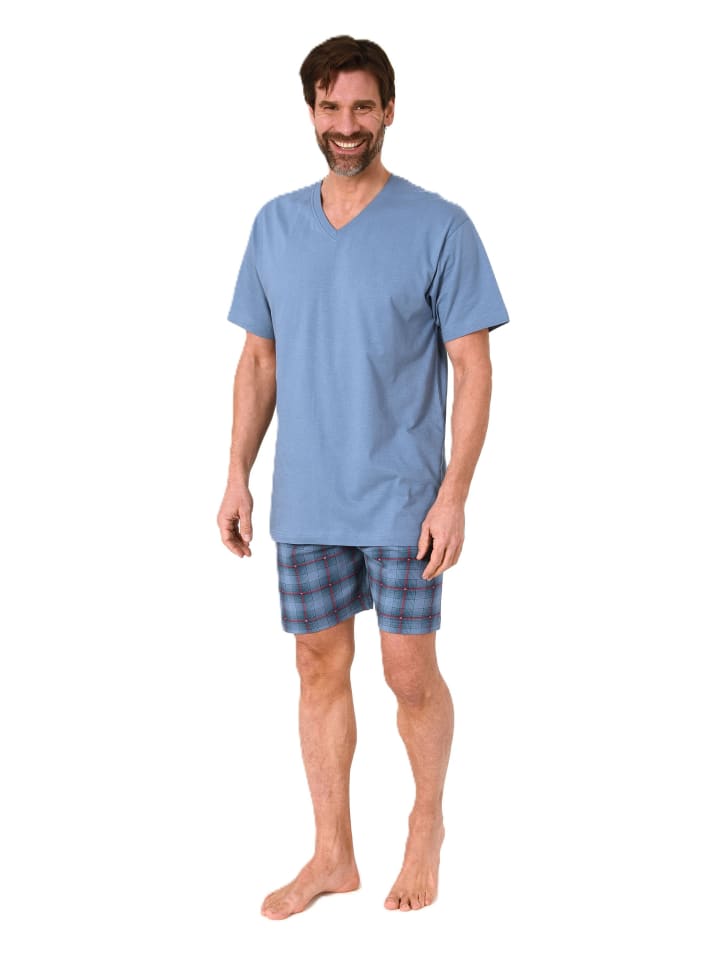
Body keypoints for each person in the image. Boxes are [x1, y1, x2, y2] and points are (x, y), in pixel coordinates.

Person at [217, 35, 509, 920]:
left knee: (408, 675)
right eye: (330, 107)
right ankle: (332, 854)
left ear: (388, 111)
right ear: (311, 112)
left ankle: (426, 822)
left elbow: (473, 367)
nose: (346, 125)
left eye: (362, 107)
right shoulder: (274, 225)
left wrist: (454, 494)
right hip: (307, 498)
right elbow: (258, 361)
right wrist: (236, 473)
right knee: (316, 667)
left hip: (404, 501)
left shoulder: (439, 225)